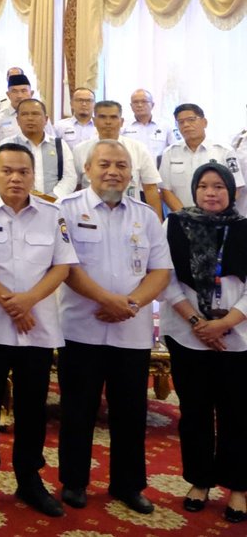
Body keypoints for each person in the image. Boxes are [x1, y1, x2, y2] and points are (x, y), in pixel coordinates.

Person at [56, 139, 171, 514]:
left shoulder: (146, 216)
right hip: (81, 327)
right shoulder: (67, 210)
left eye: (121, 165)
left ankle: (128, 484)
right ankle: (74, 482)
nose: (113, 171)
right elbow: (65, 266)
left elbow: (160, 271)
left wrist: (132, 303)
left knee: (130, 412)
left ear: (131, 173)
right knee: (77, 409)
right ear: (87, 169)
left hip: (131, 330)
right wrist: (106, 301)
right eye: (104, 164)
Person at [0, 142, 78, 517]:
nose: (15, 178)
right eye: (7, 171)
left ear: (33, 175)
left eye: (23, 172)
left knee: (33, 409)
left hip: (36, 330)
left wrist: (27, 301)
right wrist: (8, 301)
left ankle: (30, 479)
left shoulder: (51, 213)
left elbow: (61, 266)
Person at [161, 163, 247, 522]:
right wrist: (197, 322)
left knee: (238, 414)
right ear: (194, 190)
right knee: (194, 412)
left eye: (219, 187)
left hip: (239, 336)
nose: (211, 193)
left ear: (231, 192)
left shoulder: (244, 227)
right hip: (187, 333)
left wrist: (227, 320)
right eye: (204, 187)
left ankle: (239, 487)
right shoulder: (175, 224)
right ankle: (199, 480)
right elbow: (163, 277)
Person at [158, 104, 242, 213]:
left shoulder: (224, 151)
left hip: (217, 219)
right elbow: (165, 190)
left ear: (204, 122)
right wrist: (185, 215)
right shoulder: (170, 153)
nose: (186, 125)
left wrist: (218, 213)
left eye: (191, 120)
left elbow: (236, 187)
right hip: (181, 219)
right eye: (181, 122)